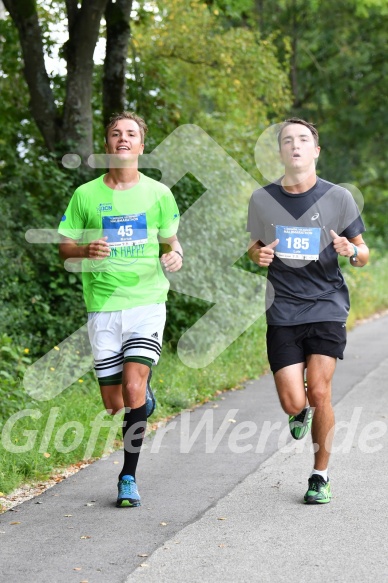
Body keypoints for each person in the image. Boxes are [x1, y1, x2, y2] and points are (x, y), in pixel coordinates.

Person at [58, 112, 182, 507]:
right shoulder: (86, 195)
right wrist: (85, 249)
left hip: (147, 301)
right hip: (103, 305)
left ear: (141, 146)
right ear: (107, 145)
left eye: (131, 134)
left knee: (131, 388)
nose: (123, 139)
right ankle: (145, 401)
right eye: (116, 133)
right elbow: (64, 248)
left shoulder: (159, 194)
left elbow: (171, 243)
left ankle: (127, 476)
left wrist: (175, 255)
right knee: (115, 404)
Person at [247, 118, 369, 504]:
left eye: (303, 140)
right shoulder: (262, 198)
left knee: (319, 390)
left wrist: (352, 252)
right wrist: (259, 254)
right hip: (282, 307)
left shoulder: (338, 198)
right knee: (293, 402)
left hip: (326, 304)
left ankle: (320, 475)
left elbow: (363, 252)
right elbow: (254, 247)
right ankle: (297, 414)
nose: (295, 145)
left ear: (315, 151)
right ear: (280, 152)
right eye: (287, 141)